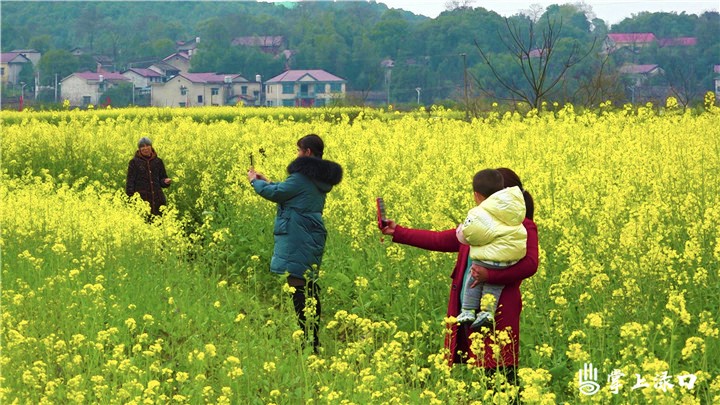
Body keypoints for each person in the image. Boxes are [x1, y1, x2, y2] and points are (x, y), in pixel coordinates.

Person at [380, 167, 537, 384]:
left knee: (502, 376)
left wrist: (489, 275)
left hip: (499, 313)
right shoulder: (479, 225)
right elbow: (442, 240)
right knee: (486, 374)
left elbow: (530, 265)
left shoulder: (521, 226)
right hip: (472, 309)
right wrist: (397, 231)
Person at [247, 134, 343, 353]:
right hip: (311, 232)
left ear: (308, 152)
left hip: (297, 232)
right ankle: (312, 337)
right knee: (308, 283)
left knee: (297, 284)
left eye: (299, 150)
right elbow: (291, 192)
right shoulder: (317, 177)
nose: (297, 154)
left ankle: (308, 340)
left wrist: (255, 181)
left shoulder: (301, 177)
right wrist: (267, 180)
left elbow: (277, 194)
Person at [455, 169, 527, 332]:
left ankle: (467, 310)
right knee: (493, 287)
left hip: (486, 261)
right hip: (507, 260)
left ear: (477, 195)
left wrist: (461, 232)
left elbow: (470, 234)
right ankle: (487, 313)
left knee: (472, 279)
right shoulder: (516, 215)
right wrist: (399, 232)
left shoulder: (481, 214)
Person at [125, 137, 172, 216]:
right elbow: (130, 182)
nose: (145, 148)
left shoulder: (158, 161)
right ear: (139, 149)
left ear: (151, 147)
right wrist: (131, 200)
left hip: (158, 200)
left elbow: (162, 178)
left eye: (147, 146)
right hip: (142, 201)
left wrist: (165, 182)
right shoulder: (134, 162)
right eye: (142, 146)